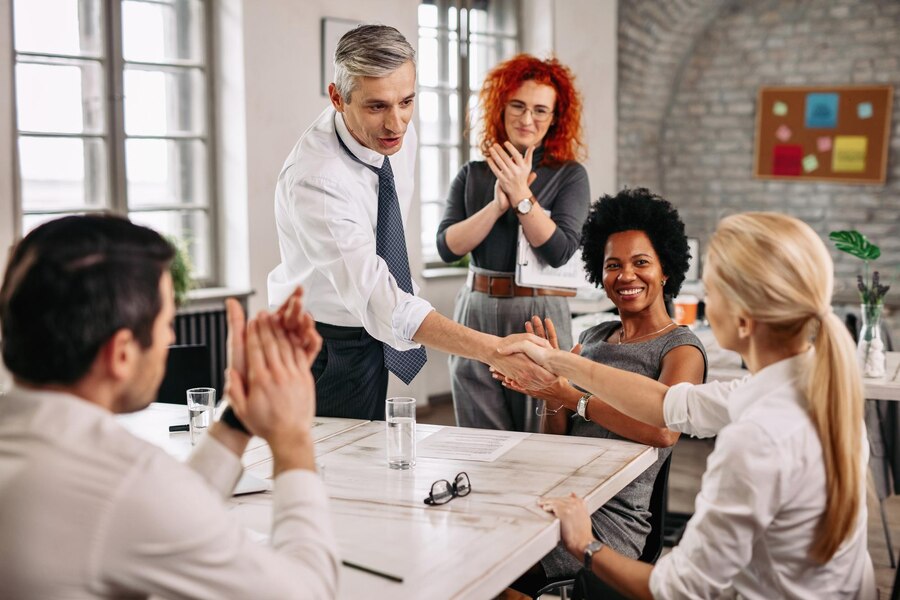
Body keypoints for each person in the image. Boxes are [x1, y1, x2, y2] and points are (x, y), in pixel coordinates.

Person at [504, 212, 873, 598]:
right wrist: (561, 363)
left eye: (711, 292)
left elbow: (679, 589)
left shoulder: (756, 440)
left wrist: (585, 544)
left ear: (743, 320)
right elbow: (667, 403)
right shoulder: (813, 389)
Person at [0, 215, 338, 598]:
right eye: (166, 324)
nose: (170, 337)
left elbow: (165, 513)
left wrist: (238, 419)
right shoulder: (122, 480)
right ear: (122, 354)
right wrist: (292, 436)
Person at [267, 25, 552, 420]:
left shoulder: (397, 136)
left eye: (407, 101)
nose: (396, 123)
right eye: (377, 106)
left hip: (368, 335)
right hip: (317, 347)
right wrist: (493, 350)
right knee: (326, 473)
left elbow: (388, 259)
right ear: (337, 98)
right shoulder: (317, 179)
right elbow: (377, 296)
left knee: (367, 460)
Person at [500, 189, 707, 595]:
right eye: (613, 265)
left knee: (498, 572)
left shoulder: (680, 347)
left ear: (666, 269)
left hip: (612, 518)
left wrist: (573, 396)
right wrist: (549, 392)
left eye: (641, 262)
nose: (626, 275)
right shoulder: (594, 336)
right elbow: (558, 440)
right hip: (564, 493)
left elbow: (665, 429)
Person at [436, 54, 591, 432]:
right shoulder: (472, 174)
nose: (527, 119)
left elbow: (559, 251)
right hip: (476, 307)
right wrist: (496, 205)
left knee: (539, 427)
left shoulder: (569, 175)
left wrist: (522, 197)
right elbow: (447, 247)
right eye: (518, 106)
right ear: (501, 108)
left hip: (539, 312)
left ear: (554, 118)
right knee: (478, 431)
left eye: (540, 110)